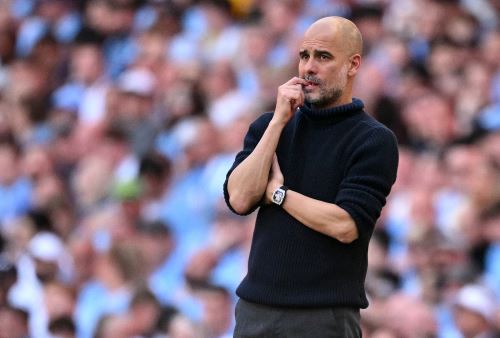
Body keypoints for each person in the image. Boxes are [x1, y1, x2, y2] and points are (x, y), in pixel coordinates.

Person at [223, 16, 399, 337]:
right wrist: (278, 123)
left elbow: (345, 225)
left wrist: (279, 194)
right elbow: (238, 198)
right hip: (255, 311)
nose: (308, 68)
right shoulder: (269, 126)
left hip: (322, 318)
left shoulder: (373, 139)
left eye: (323, 57)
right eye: (304, 56)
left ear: (352, 65)